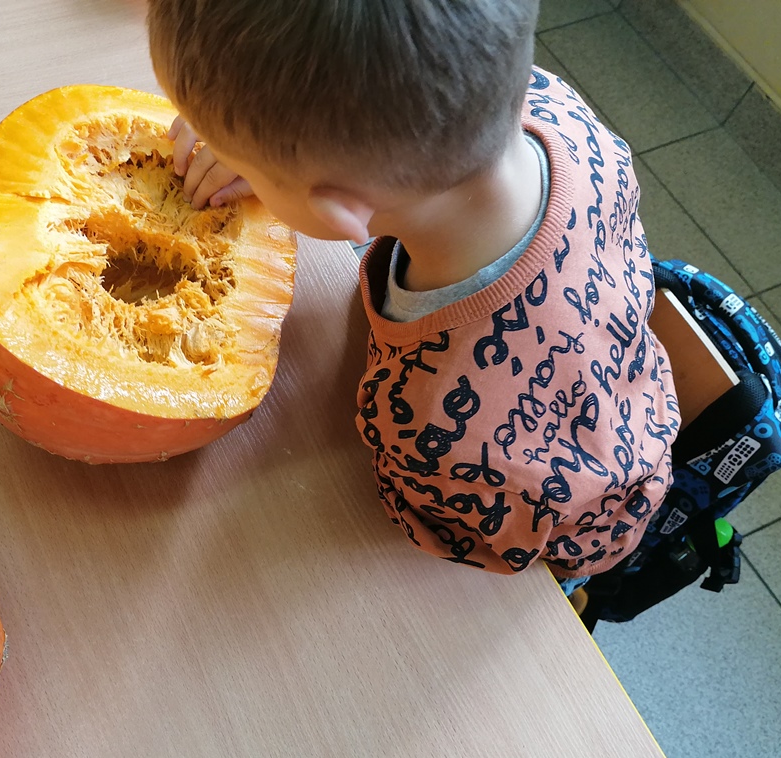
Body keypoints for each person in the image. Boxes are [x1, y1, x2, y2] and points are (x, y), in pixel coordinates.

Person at [147, 0, 679, 598]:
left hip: (550, 528)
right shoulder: (555, 105)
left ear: (339, 214)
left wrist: (273, 156)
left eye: (241, 162)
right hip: (622, 386)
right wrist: (265, 154)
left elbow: (448, 536)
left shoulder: (430, 423)